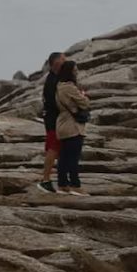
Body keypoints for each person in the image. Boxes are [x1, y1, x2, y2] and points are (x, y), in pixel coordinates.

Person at [55, 61, 90, 196]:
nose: (76, 72)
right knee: (73, 158)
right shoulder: (69, 87)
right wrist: (83, 95)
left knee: (63, 157)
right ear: (69, 72)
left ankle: (62, 184)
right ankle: (75, 185)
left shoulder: (59, 86)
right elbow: (85, 103)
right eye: (75, 70)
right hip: (72, 126)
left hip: (62, 124)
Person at [35, 51, 65, 194]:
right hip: (54, 120)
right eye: (63, 59)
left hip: (52, 119)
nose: (65, 61)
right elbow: (55, 102)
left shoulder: (53, 78)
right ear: (56, 62)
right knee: (53, 149)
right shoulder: (52, 80)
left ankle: (61, 180)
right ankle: (45, 180)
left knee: (56, 149)